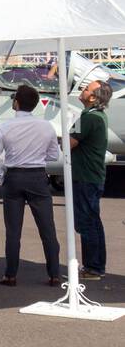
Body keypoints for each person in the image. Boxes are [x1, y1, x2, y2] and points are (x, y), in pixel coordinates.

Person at [0, 84, 62, 286]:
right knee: (47, 229)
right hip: (37, 177)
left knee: (13, 231)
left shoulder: (5, 126)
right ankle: (54, 274)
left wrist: (1, 177)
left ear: (16, 103)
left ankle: (10, 275)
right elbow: (54, 155)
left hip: (14, 178)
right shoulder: (46, 126)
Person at [69, 80, 112, 279]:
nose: (82, 90)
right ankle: (95, 266)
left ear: (93, 97)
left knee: (87, 222)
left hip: (85, 177)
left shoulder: (88, 118)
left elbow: (69, 143)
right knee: (93, 222)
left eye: (86, 89)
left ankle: (93, 267)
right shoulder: (95, 116)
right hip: (91, 176)